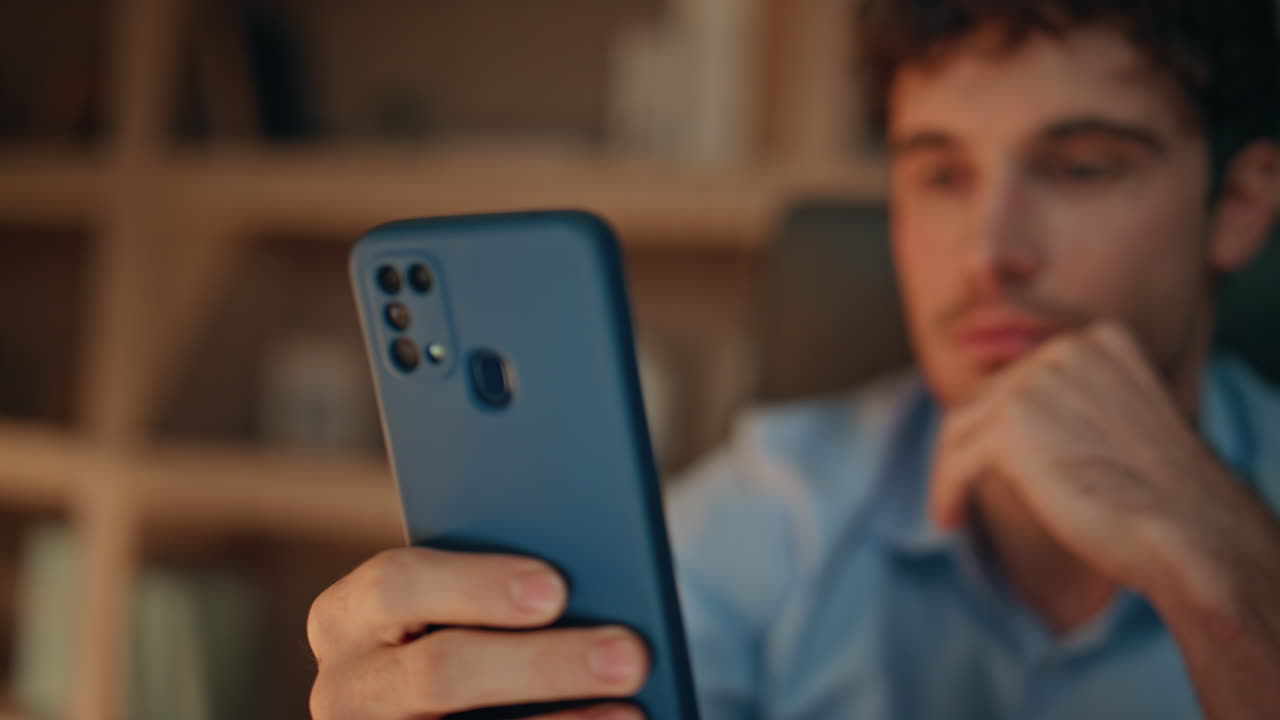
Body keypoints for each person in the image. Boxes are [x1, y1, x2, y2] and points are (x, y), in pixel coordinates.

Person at [306, 1, 1280, 718]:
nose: (989, 252)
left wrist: (1234, 591)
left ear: (1238, 205)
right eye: (939, 174)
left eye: (1080, 168)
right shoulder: (775, 508)